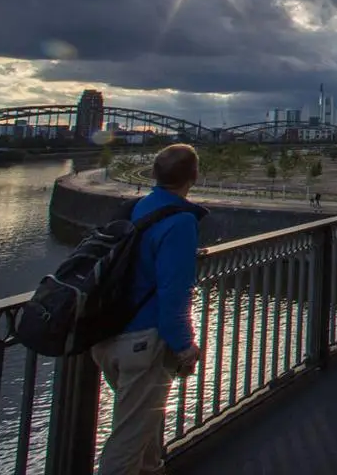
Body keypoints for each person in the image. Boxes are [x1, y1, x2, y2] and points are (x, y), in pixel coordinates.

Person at [91, 143, 208, 475]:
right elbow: (174, 294)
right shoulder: (181, 221)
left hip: (108, 338)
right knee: (127, 443)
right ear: (194, 176)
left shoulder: (134, 208)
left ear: (154, 174)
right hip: (143, 345)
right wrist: (184, 346)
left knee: (144, 426)